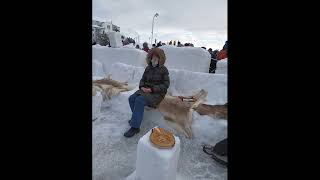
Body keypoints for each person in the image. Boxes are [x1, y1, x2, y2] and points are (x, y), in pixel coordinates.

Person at [124, 48, 170, 137]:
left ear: (161, 59)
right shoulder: (148, 68)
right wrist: (142, 87)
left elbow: (165, 85)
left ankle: (135, 127)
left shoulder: (164, 70)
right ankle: (136, 119)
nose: (154, 59)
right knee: (132, 98)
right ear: (150, 57)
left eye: (157, 57)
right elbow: (142, 79)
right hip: (145, 91)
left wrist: (152, 89)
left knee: (139, 100)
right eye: (153, 57)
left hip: (157, 94)